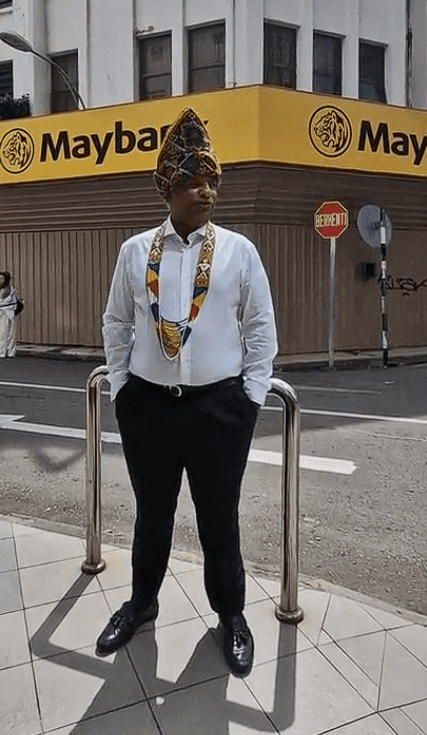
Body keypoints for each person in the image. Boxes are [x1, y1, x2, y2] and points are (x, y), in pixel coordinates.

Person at [96, 107, 277, 676]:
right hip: (147, 406)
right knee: (152, 513)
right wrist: (122, 387)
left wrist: (248, 399)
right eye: (194, 181)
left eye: (212, 181)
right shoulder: (135, 252)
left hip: (219, 409)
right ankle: (141, 603)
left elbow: (260, 328)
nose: (207, 191)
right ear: (166, 189)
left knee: (219, 517)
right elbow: (116, 323)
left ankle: (232, 617)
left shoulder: (237, 251)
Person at [0, 270, 19, 358]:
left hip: (3, 315)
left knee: (3, 334)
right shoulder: (12, 290)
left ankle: (2, 352)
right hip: (12, 314)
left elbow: (0, 305)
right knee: (11, 335)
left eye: (1, 278)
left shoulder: (4, 291)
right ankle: (10, 351)